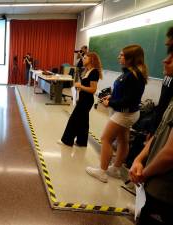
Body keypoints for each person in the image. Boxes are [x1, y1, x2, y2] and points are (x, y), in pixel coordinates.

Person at [86, 45, 148, 183]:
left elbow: (128, 100)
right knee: (122, 140)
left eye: (122, 55)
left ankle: (102, 171)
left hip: (124, 114)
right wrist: (111, 97)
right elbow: (123, 93)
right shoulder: (129, 72)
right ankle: (115, 168)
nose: (118, 57)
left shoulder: (133, 75)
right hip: (126, 113)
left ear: (130, 58)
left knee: (105, 139)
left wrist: (111, 103)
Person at [129, 45, 173, 225]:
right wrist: (139, 159)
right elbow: (161, 131)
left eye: (172, 56)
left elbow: (170, 154)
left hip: (165, 192)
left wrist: (143, 174)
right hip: (153, 187)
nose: (165, 60)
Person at [59, 52, 102, 147]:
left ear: (91, 60)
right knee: (83, 122)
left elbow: (93, 90)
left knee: (74, 120)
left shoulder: (94, 72)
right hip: (83, 99)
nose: (83, 59)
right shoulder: (88, 71)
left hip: (87, 100)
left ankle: (67, 141)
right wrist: (80, 88)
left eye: (85, 58)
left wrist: (81, 86)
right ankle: (81, 142)